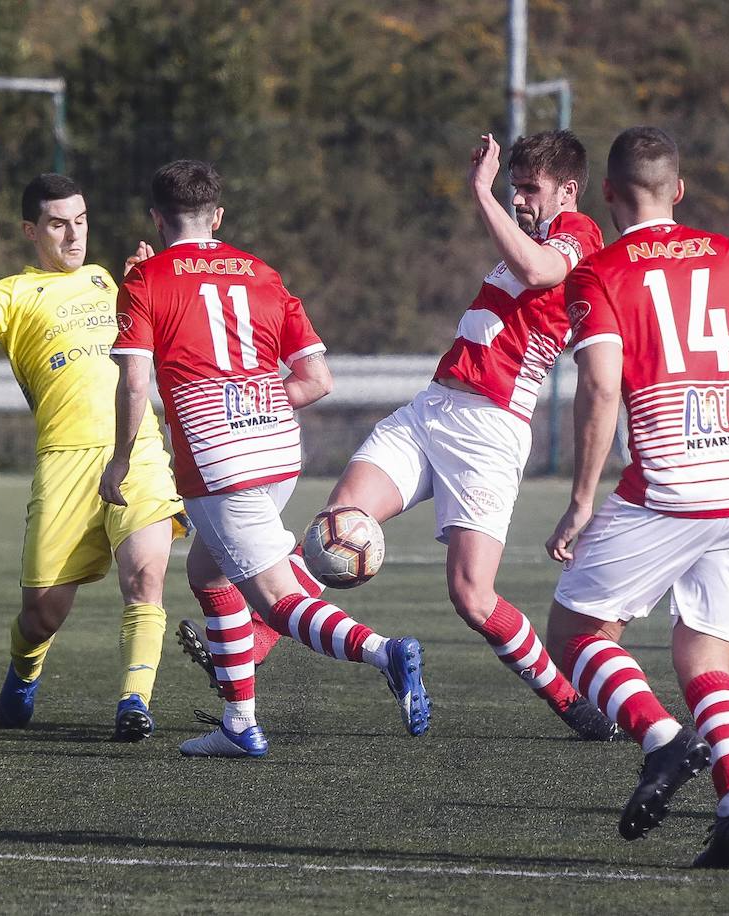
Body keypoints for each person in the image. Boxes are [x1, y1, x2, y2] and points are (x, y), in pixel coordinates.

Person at [179, 130, 617, 741]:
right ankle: (255, 645)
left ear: (568, 191)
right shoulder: (529, 234)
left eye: (530, 189)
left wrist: (481, 194)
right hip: (431, 410)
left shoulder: (580, 235)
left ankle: (569, 701)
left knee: (473, 597)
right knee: (333, 528)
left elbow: (537, 268)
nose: (519, 199)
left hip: (491, 429)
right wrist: (493, 200)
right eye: (513, 187)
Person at [543, 126, 729, 868]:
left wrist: (581, 498)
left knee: (575, 634)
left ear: (607, 194)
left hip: (672, 486)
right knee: (707, 664)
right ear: (679, 191)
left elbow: (603, 385)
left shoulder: (599, 272)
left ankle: (664, 741)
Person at [99, 160, 430, 757]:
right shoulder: (262, 274)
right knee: (207, 574)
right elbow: (317, 379)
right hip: (278, 446)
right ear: (218, 216)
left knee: (278, 601)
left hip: (216, 460)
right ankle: (239, 723)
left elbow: (133, 385)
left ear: (156, 217)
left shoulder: (146, 279)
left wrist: (121, 459)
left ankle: (385, 652)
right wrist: (253, 404)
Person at [0, 173, 184, 741]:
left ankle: (134, 702)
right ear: (30, 231)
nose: (74, 235)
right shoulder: (9, 293)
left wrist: (146, 280)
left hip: (134, 449)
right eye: (59, 224)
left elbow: (152, 333)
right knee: (43, 614)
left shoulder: (108, 281)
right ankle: (23, 677)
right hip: (64, 460)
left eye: (81, 221)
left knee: (146, 575)